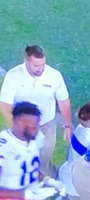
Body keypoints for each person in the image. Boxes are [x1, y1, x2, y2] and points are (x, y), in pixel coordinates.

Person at [0, 45, 72, 177]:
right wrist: (17, 128)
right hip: (23, 125)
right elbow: (5, 105)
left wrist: (67, 125)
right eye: (35, 65)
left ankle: (44, 174)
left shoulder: (54, 76)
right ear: (26, 61)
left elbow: (63, 101)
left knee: (45, 153)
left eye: (42, 64)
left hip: (47, 124)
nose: (40, 69)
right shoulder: (13, 76)